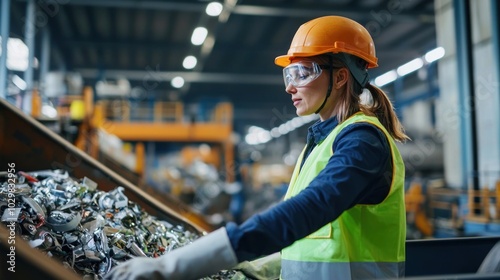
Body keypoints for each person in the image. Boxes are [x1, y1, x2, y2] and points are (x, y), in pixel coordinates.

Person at [105, 15, 409, 280]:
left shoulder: (363, 143)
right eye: (289, 75)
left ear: (341, 77)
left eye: (302, 73)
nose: (290, 86)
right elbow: (314, 241)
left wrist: (175, 265)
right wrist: (268, 266)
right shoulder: (321, 141)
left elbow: (305, 213)